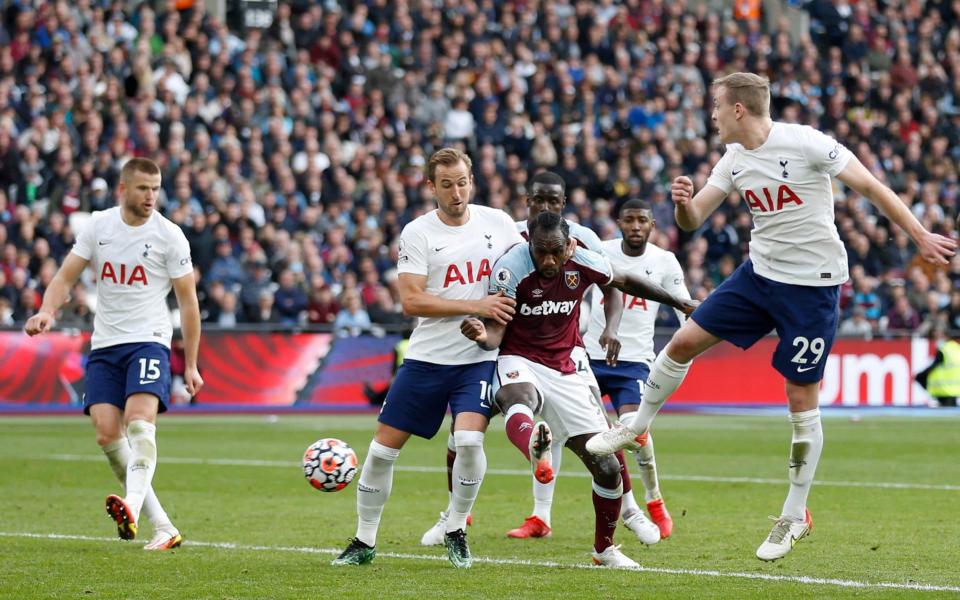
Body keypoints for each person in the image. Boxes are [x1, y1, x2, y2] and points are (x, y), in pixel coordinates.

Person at [586, 72, 957, 561]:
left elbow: (870, 186)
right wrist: (681, 205)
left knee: (799, 399)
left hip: (813, 287)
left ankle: (794, 514)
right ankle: (636, 425)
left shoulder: (805, 143)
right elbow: (694, 219)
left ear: (739, 109)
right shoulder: (734, 158)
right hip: (759, 276)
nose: (712, 114)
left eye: (717, 105)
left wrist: (919, 236)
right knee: (680, 344)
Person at [461, 211, 696, 567]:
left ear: (569, 245)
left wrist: (677, 301)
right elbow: (495, 331)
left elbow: (626, 282)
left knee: (608, 468)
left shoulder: (583, 259)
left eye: (556, 251)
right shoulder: (510, 268)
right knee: (517, 397)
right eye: (541, 251)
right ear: (530, 245)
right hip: (519, 357)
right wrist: (482, 337)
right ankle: (534, 449)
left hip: (566, 368)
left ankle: (604, 550)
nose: (549, 259)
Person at [332, 148, 523, 569]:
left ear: (472, 180)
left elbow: (521, 276)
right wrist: (476, 305)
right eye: (447, 184)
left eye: (463, 182)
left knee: (470, 440)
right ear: (430, 186)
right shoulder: (418, 233)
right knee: (382, 451)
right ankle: (364, 541)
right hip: (427, 359)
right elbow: (411, 300)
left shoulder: (499, 223)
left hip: (477, 359)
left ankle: (456, 529)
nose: (457, 193)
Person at [24, 157, 203, 550]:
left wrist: (189, 363)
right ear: (124, 189)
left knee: (140, 424)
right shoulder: (99, 226)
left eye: (156, 189)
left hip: (148, 340)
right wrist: (47, 311)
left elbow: (188, 303)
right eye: (143, 188)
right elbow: (65, 276)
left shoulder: (170, 236)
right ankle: (164, 527)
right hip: (105, 344)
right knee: (108, 434)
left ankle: (133, 507)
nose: (150, 196)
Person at [581, 198, 691, 541]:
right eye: (629, 220)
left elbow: (683, 307)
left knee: (634, 431)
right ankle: (542, 514)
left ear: (651, 225)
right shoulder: (600, 252)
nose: (635, 226)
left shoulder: (664, 261)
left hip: (635, 362)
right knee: (585, 436)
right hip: (591, 358)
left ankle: (654, 499)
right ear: (618, 222)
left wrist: (693, 342)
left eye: (642, 220)